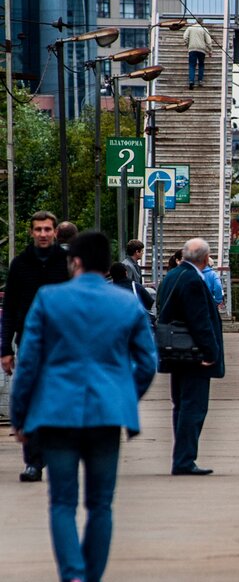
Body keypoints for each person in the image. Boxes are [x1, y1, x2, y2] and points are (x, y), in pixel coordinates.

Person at [8, 231, 157, 582]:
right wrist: (123, 397)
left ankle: (73, 575)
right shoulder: (126, 303)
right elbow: (148, 362)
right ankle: (91, 577)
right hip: (107, 415)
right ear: (107, 265)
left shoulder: (49, 299)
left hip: (56, 414)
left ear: (73, 260)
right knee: (100, 504)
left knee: (61, 502)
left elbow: (27, 364)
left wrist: (20, 417)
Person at [2, 211, 71, 482]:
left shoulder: (65, 263)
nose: (43, 234)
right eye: (38, 229)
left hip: (61, 345)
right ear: (31, 232)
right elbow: (9, 309)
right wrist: (5, 348)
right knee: (30, 401)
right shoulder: (20, 264)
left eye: (47, 229)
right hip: (28, 343)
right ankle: (33, 461)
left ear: (55, 232)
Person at [156, 238, 224, 476]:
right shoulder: (193, 280)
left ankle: (181, 458)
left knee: (181, 406)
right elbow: (200, 321)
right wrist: (209, 352)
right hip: (193, 354)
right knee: (193, 408)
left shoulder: (172, 276)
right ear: (205, 259)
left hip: (176, 352)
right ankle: (184, 460)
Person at [183, 19, 214, 90]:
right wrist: (210, 50)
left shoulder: (190, 28)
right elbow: (209, 41)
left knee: (192, 65)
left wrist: (187, 44)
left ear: (195, 22)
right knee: (201, 65)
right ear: (202, 22)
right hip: (201, 50)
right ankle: (200, 80)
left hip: (192, 49)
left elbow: (185, 37)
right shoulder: (204, 29)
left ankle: (191, 81)